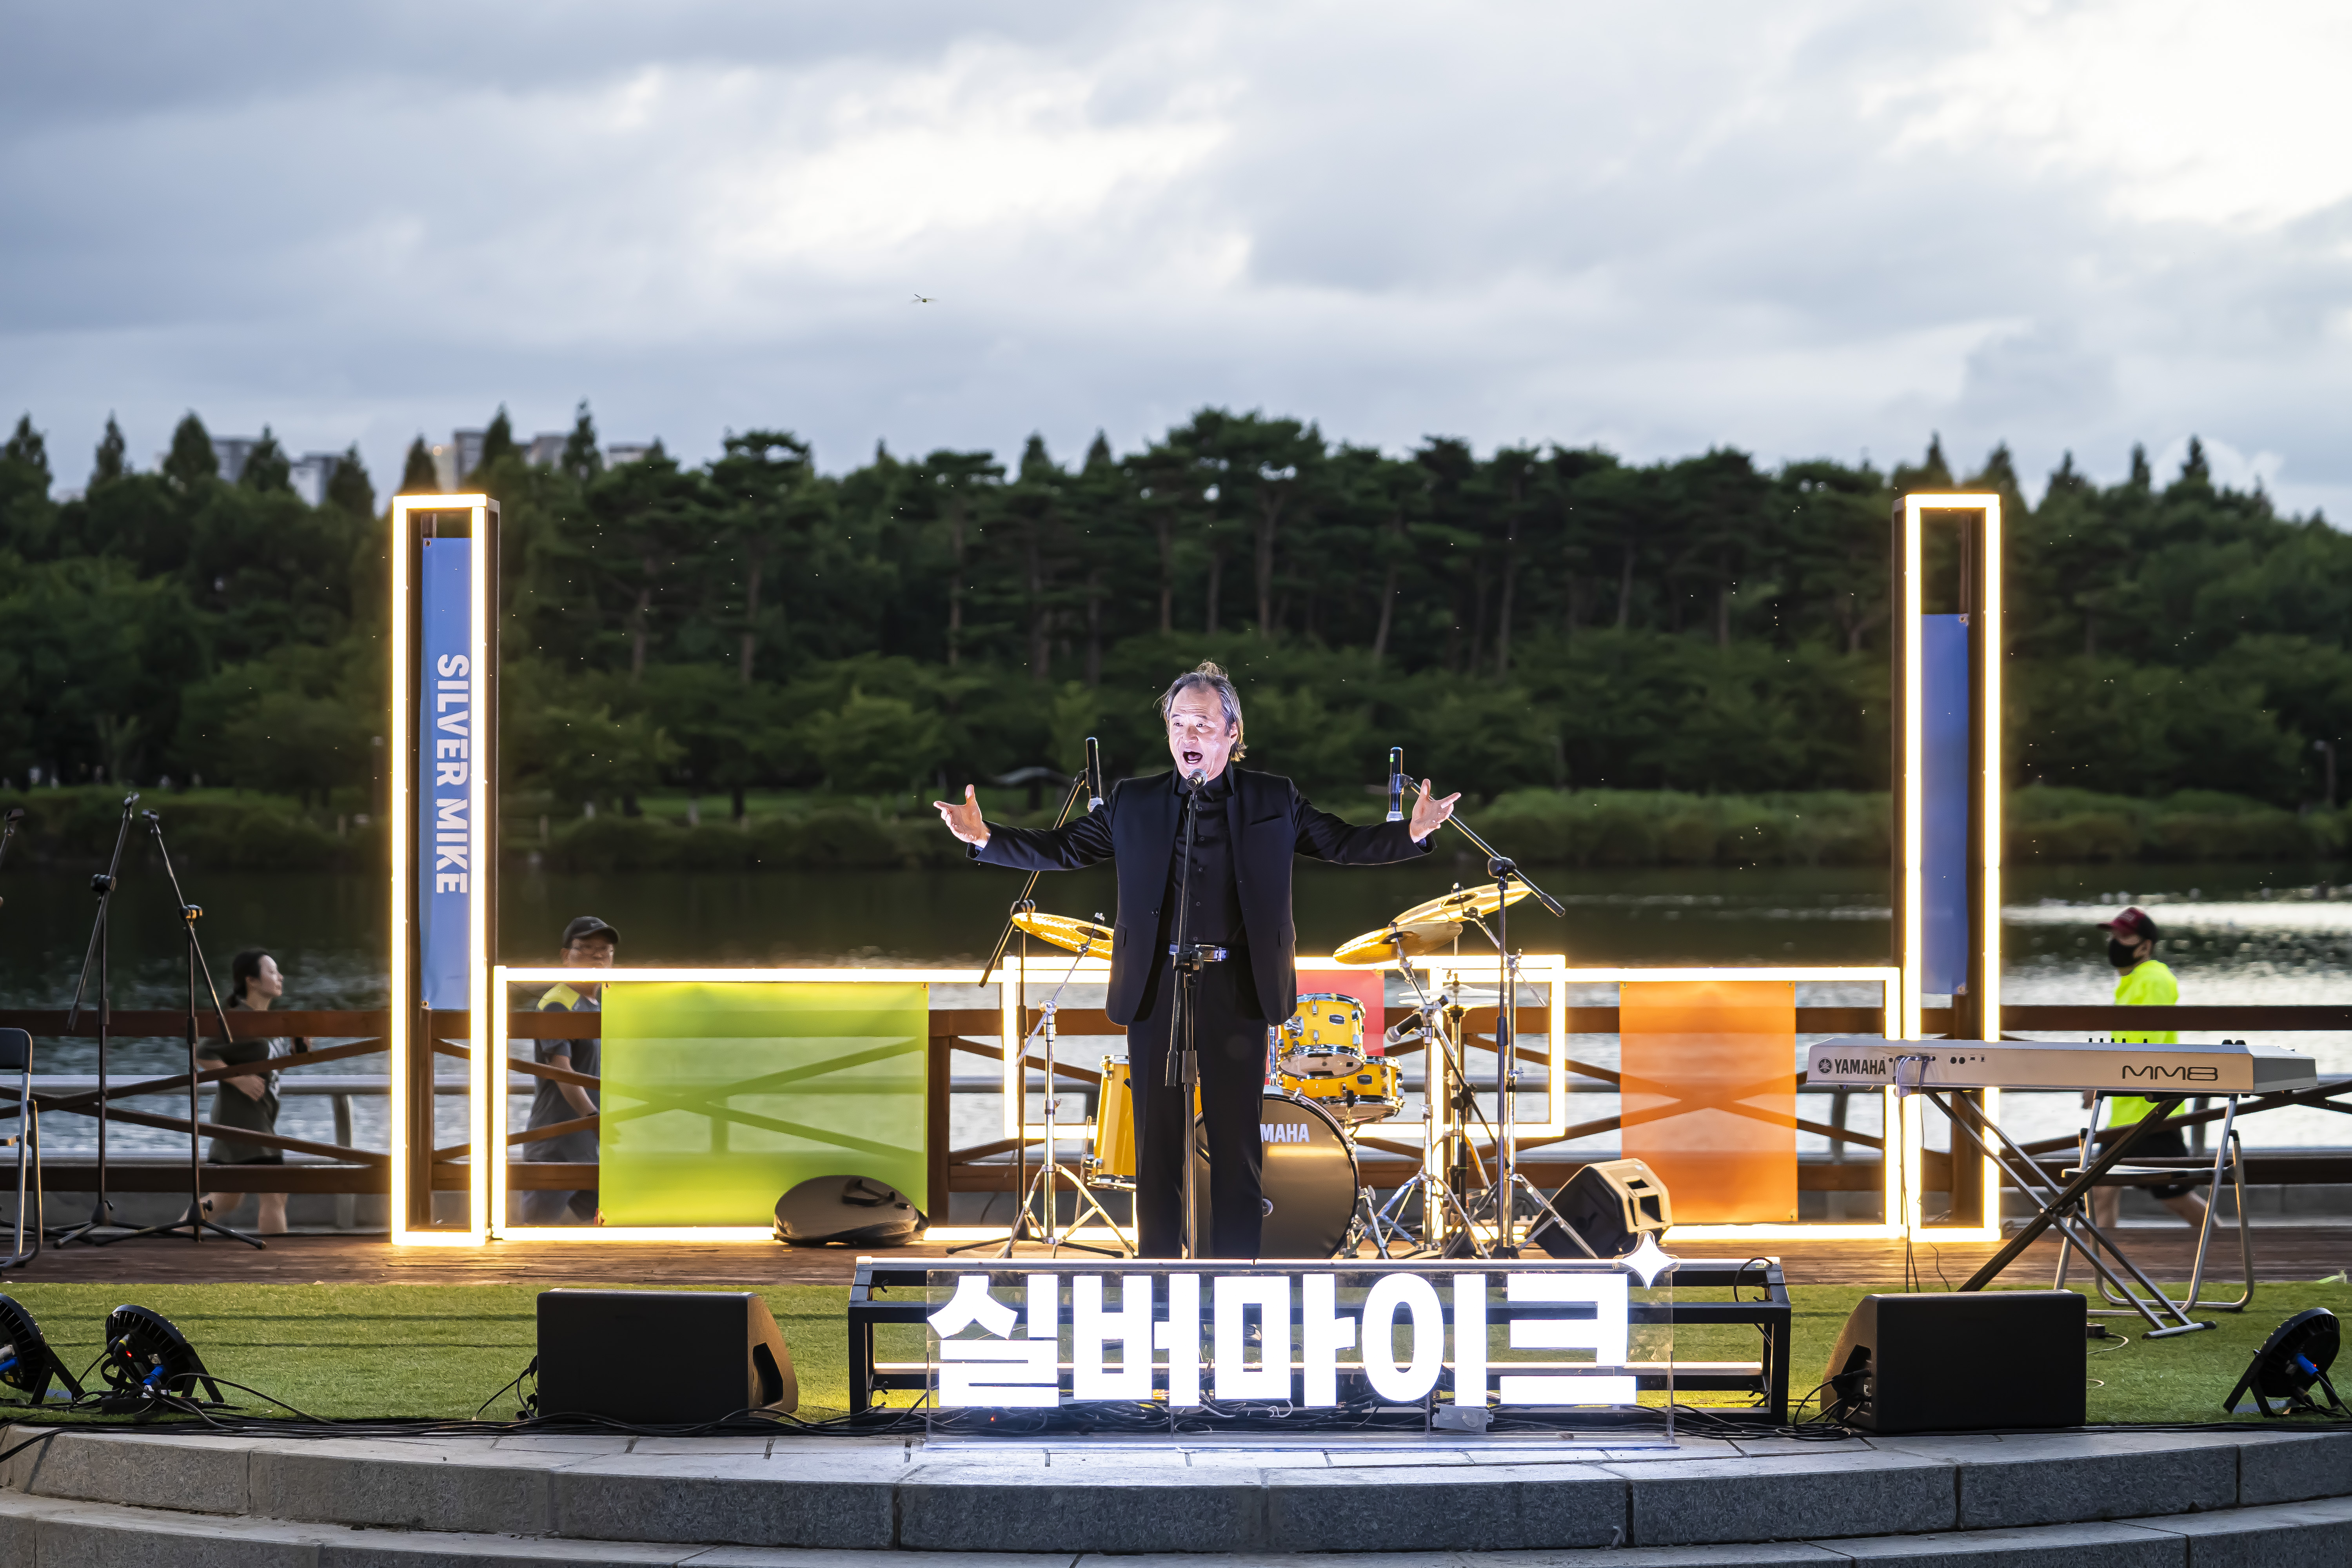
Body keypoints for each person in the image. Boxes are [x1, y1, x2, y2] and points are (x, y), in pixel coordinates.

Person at [934, 660, 1457, 1258]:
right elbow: (1064, 848)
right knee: (1157, 1147)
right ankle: (1159, 1281)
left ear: (1232, 732)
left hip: (1239, 986)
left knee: (1236, 1146)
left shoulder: (1272, 797)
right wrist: (984, 837)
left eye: (1203, 724)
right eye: (1178, 723)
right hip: (1156, 985)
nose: (1188, 734)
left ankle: (1233, 1279)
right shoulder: (1133, 801)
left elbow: (1340, 842)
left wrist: (1411, 833)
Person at [2081, 906, 2208, 1232]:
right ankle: (2099, 1257)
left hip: (2151, 1113)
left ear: (2145, 945)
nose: (2115, 942)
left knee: (2175, 1198)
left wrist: (2099, 1078)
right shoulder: (2133, 981)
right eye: (2113, 935)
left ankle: (2227, 1245)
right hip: (2130, 1111)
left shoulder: (2153, 978)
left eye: (2124, 936)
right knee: (2101, 1191)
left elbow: (2145, 1041)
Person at [195, 949, 309, 1235]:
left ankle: (176, 1237)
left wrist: (296, 1054)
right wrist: (239, 1079)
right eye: (271, 971)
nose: (280, 977)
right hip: (244, 1121)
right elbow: (203, 1053)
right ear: (252, 981)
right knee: (275, 1192)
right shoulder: (239, 1019)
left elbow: (269, 1069)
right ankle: (276, 1258)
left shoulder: (267, 1021)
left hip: (256, 1117)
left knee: (226, 1199)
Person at [520, 915, 615, 1225]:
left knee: (613, 1226)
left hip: (590, 1146)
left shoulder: (603, 1003)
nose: (597, 955)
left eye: (605, 949)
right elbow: (562, 1071)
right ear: (566, 956)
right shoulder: (558, 1003)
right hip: (555, 1143)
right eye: (586, 948)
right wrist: (593, 1118)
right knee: (533, 1233)